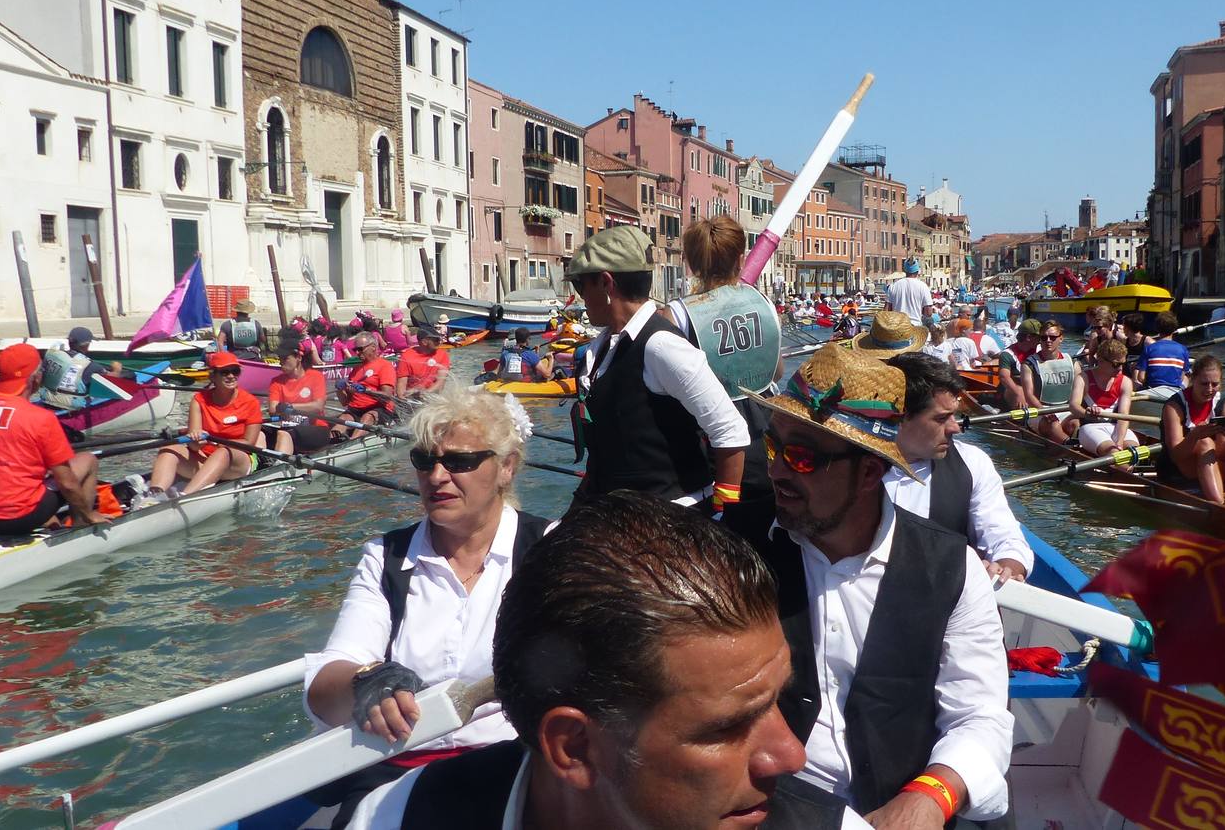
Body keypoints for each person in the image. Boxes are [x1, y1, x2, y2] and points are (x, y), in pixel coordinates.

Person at [345, 490, 871, 830]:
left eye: (777, 699)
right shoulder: (399, 816)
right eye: (728, 727)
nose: (791, 755)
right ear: (575, 748)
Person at [738, 344, 1014, 824]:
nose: (777, 469)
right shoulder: (729, 553)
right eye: (772, 447)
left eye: (801, 457)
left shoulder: (952, 568)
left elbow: (979, 715)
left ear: (868, 472)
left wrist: (931, 797)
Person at [306, 385, 546, 827]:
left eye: (459, 462)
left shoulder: (550, 549)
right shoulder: (386, 557)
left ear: (506, 467)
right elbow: (327, 686)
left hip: (520, 765)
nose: (437, 477)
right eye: (424, 461)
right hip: (397, 768)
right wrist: (367, 681)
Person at [568, 224, 748, 508]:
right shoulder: (602, 347)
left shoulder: (661, 346)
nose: (580, 297)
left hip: (671, 518)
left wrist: (720, 514)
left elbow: (730, 430)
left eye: (580, 285)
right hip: (615, 514)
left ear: (606, 283)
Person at [665, 216, 783, 528]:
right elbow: (777, 370)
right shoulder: (762, 301)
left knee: (724, 526)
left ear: (691, 262)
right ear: (740, 258)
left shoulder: (677, 314)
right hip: (768, 431)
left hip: (713, 441)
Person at [885, 352, 1032, 582]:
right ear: (900, 417)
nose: (955, 428)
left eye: (954, 416)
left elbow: (1003, 533)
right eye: (942, 419)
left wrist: (1009, 565)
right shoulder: (851, 465)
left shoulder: (973, 463)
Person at [0, 344, 107, 535]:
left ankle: (49, 518)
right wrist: (90, 512)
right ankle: (81, 525)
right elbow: (67, 483)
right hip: (18, 518)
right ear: (36, 378)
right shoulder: (41, 418)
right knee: (87, 460)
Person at [142, 352, 262, 502]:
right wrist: (195, 441)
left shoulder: (250, 402)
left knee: (223, 452)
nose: (231, 376)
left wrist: (219, 443)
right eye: (224, 372)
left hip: (239, 461)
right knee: (169, 448)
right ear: (212, 376)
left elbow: (249, 443)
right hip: (205, 458)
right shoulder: (199, 400)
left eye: (235, 371)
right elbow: (193, 447)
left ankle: (185, 497)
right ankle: (153, 496)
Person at [1157, 355, 1225, 505]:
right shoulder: (1174, 406)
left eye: (1215, 384)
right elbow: (1176, 456)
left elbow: (1224, 454)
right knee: (1205, 443)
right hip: (1180, 471)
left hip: (1211, 465)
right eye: (1204, 384)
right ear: (1192, 380)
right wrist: (1195, 435)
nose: (1209, 389)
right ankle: (1219, 506)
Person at [1068, 338, 1137, 457]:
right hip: (1090, 427)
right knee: (1114, 453)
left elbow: (1124, 416)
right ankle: (1124, 470)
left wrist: (1119, 443)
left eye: (1123, 364)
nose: (1120, 369)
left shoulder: (1125, 382)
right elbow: (1073, 406)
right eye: (1116, 364)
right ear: (1100, 360)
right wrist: (1086, 413)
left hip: (1116, 427)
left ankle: (1124, 468)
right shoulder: (1083, 378)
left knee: (1136, 451)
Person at [265, 335, 331, 455]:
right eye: (279, 358)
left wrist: (291, 407)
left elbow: (318, 406)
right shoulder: (276, 381)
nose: (281, 362)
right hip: (288, 427)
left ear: (298, 357)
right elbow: (273, 409)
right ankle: (258, 464)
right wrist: (280, 409)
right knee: (260, 431)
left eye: (285, 358)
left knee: (284, 433)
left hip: (317, 429)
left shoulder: (315, 376)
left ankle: (278, 467)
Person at [1024, 319, 1080, 443]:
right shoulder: (1029, 364)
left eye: (1052, 337)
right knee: (1054, 425)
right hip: (1039, 410)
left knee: (1075, 424)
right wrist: (1044, 412)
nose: (1048, 341)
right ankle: (1068, 446)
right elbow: (1029, 396)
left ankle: (1076, 447)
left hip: (1065, 409)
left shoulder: (1073, 363)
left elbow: (1080, 392)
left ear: (1061, 339)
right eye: (1044, 338)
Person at [40, 326, 121, 410]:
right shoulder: (90, 365)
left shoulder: (54, 355)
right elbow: (113, 379)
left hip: (47, 400)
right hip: (71, 406)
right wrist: (117, 369)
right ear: (86, 345)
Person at [336, 333, 396, 438]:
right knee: (343, 419)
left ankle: (350, 446)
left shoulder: (385, 366)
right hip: (356, 410)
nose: (357, 353)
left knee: (367, 417)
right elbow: (345, 402)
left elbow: (387, 396)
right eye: (355, 350)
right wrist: (340, 389)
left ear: (373, 347)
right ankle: (327, 446)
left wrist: (366, 390)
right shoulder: (356, 370)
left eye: (360, 349)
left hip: (379, 409)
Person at [1133, 311, 1188, 401]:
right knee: (1187, 379)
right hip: (1173, 393)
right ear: (1174, 329)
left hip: (1152, 390)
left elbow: (1141, 377)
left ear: (1157, 328)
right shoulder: (1183, 349)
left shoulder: (1149, 349)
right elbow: (1181, 377)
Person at [395, 325, 451, 398]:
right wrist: (404, 399)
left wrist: (424, 393)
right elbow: (401, 386)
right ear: (424, 342)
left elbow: (441, 382)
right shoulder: (406, 357)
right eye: (436, 340)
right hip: (412, 396)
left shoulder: (442, 354)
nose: (439, 342)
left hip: (433, 396)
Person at [885, 257, 934, 326]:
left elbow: (886, 310)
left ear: (905, 270)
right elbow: (929, 313)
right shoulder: (923, 286)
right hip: (915, 326)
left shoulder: (893, 286)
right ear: (917, 271)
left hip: (897, 327)